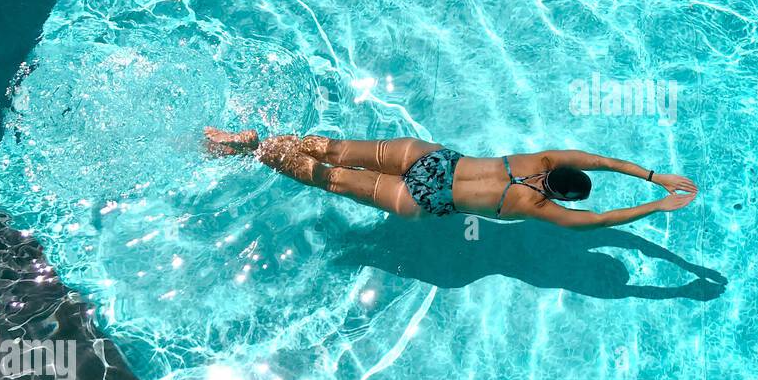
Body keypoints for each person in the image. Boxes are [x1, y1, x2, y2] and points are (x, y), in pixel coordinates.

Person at [204, 128, 697, 228]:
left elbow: (600, 160)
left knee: (333, 148)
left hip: (433, 160)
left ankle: (253, 139)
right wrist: (655, 206)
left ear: (557, 171)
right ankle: (257, 155)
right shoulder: (540, 208)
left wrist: (655, 176)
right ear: (561, 196)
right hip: (426, 199)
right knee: (329, 179)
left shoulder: (539, 159)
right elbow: (602, 220)